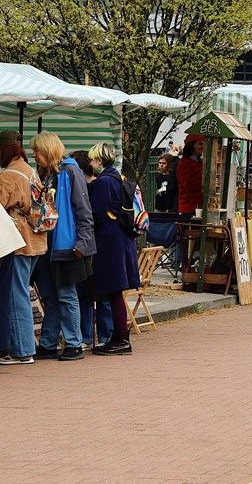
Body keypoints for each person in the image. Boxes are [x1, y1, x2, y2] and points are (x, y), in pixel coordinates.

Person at [31, 131, 96, 361]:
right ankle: (49, 343)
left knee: (66, 295)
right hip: (48, 245)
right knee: (50, 296)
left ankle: (73, 343)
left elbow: (83, 208)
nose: (34, 155)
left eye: (37, 150)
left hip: (65, 244)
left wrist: (82, 242)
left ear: (48, 150)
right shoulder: (47, 174)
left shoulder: (69, 171)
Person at [87, 143, 140, 355]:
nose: (91, 164)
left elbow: (98, 214)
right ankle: (119, 336)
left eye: (92, 160)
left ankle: (121, 338)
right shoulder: (120, 178)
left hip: (109, 241)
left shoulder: (103, 182)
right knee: (117, 290)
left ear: (99, 160)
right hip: (124, 238)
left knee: (114, 291)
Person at [0, 131, 47, 364]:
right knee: (23, 292)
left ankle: (23, 349)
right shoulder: (30, 171)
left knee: (16, 294)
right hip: (37, 238)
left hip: (18, 240)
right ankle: (24, 346)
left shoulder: (7, 175)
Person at [70, 150, 113, 349]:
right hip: (91, 245)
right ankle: (91, 335)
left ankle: (100, 335)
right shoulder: (91, 185)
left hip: (95, 245)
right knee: (86, 291)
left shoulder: (97, 186)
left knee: (95, 292)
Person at [176, 133, 205, 220]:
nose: (202, 146)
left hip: (200, 207)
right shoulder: (184, 163)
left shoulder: (200, 162)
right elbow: (188, 185)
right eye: (200, 144)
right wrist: (204, 172)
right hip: (189, 209)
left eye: (203, 143)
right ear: (191, 145)